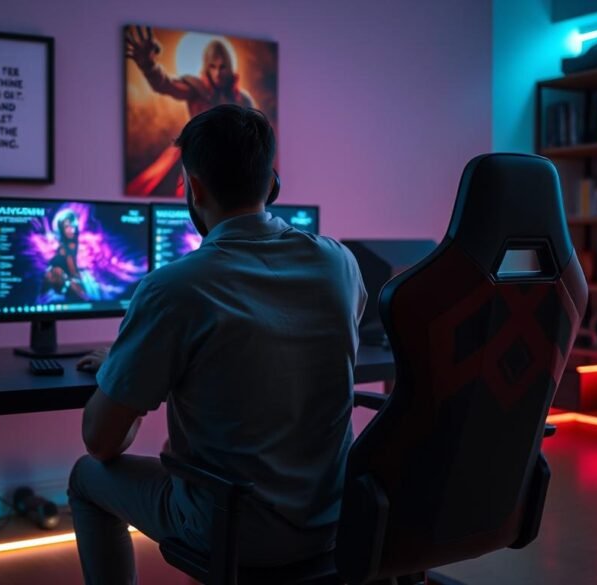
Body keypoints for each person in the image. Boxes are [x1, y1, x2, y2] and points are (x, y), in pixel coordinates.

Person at [67, 104, 367, 584]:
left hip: (234, 530)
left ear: (195, 188)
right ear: (272, 184)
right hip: (336, 524)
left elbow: (102, 442)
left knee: (86, 477)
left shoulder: (174, 288)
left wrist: (131, 370)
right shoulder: (341, 265)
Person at [125, 25, 257, 196]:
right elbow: (166, 85)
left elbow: (255, 140)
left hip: (232, 164)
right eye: (213, 66)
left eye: (222, 67)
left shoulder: (242, 99)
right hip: (198, 158)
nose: (217, 73)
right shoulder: (197, 89)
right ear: (206, 67)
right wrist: (149, 66)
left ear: (230, 67)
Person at [44, 210, 87, 301]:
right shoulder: (61, 253)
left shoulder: (82, 247)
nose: (71, 229)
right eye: (67, 226)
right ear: (61, 229)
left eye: (73, 225)